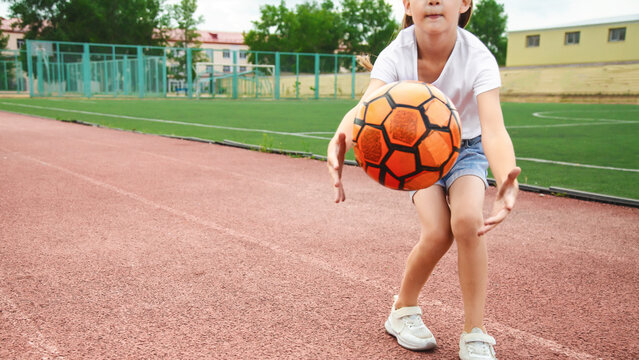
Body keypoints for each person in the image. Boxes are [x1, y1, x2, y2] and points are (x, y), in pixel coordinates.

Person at [326, 0, 521, 359]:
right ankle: (403, 310)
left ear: (464, 3)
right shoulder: (396, 53)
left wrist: (508, 179)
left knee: (467, 222)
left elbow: (493, 129)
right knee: (436, 232)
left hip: (468, 149)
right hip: (415, 155)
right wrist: (340, 139)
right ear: (407, 4)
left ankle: (474, 331)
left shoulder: (477, 56)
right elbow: (367, 104)